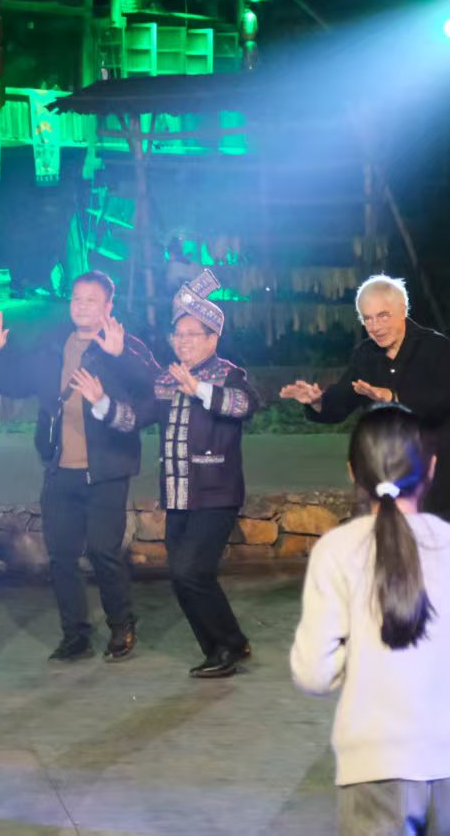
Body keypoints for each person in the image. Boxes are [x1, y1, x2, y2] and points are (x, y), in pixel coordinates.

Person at [289, 405, 450, 836]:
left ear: (353, 472)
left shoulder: (336, 550)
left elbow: (313, 673)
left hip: (377, 763)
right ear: (431, 469)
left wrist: (360, 653)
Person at [0, 271, 158, 662]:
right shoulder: (53, 344)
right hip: (61, 468)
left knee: (103, 552)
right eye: (77, 299)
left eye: (91, 300)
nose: (82, 306)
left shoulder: (124, 345)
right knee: (60, 556)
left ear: (108, 306)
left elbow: (153, 389)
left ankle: (122, 625)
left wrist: (120, 356)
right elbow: (15, 382)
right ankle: (75, 635)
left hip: (107, 470)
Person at [98, 270, 260, 677]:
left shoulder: (228, 374)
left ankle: (225, 648)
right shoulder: (168, 380)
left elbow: (245, 405)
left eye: (192, 334)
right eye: (178, 335)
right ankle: (228, 644)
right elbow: (135, 417)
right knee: (183, 575)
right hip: (178, 496)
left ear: (212, 339)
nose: (183, 341)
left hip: (216, 494)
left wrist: (200, 390)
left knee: (191, 571)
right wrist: (101, 403)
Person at [278, 275, 450, 521]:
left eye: (383, 316)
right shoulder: (365, 354)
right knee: (387, 546)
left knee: (427, 547)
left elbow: (442, 401)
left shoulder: (434, 346)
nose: (375, 326)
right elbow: (341, 401)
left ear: (403, 310)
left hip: (433, 484)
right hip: (384, 482)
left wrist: (392, 396)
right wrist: (317, 401)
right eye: (367, 318)